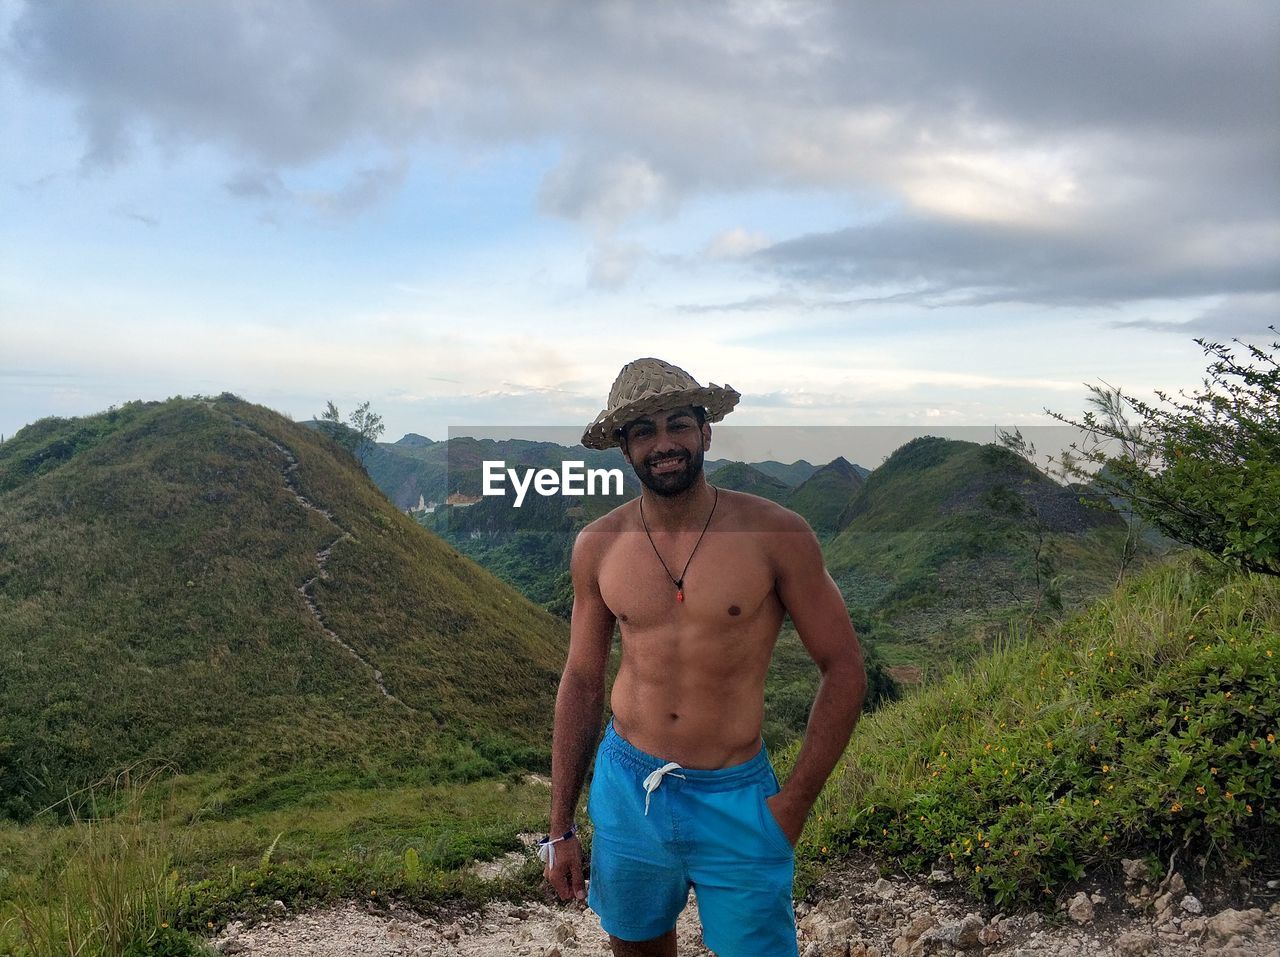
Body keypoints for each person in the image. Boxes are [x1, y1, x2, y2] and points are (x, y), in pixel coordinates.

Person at [542, 357, 866, 957]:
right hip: (628, 787)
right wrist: (559, 827)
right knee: (636, 949)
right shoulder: (599, 547)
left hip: (736, 796)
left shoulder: (776, 535)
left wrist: (791, 807)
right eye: (644, 431)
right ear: (623, 447)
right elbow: (583, 680)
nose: (663, 444)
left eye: (677, 425)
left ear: (705, 431)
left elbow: (844, 667)